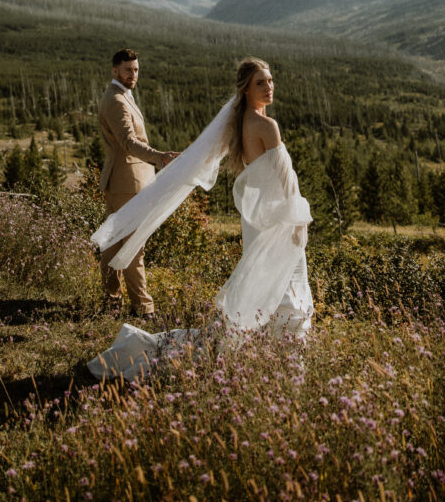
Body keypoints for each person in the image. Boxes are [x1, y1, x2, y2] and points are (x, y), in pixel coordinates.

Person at [88, 56, 313, 379]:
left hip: (258, 218)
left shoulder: (241, 125)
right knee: (283, 290)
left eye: (271, 80)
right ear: (246, 90)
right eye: (260, 82)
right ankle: (283, 364)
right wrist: (298, 221)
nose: (269, 87)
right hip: (277, 218)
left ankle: (266, 355)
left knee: (266, 286)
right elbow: (285, 181)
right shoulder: (267, 126)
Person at [96, 48, 179, 318]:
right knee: (134, 246)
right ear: (115, 71)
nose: (133, 75)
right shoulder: (117, 101)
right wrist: (160, 157)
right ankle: (143, 308)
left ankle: (112, 301)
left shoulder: (119, 96)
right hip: (127, 182)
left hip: (123, 180)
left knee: (113, 243)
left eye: (136, 70)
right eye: (128, 70)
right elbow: (129, 143)